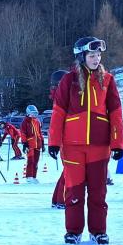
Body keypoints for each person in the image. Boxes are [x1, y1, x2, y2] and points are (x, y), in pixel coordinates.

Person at [48, 36, 123, 245]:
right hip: (72, 147)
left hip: (99, 146)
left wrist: (117, 143)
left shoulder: (107, 80)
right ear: (82, 56)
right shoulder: (68, 81)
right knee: (74, 190)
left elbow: (116, 113)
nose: (96, 59)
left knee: (98, 191)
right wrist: (54, 141)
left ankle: (98, 231)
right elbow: (58, 112)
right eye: (92, 55)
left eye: (98, 55)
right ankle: (73, 231)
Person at [50, 70, 69, 209]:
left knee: (67, 170)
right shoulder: (63, 98)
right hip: (66, 139)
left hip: (65, 138)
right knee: (69, 170)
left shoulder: (62, 96)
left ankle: (57, 199)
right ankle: (61, 200)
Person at [21, 105, 44, 183]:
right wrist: (24, 143)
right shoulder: (25, 122)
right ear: (28, 113)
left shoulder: (37, 121)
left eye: (35, 113)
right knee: (31, 160)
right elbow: (23, 133)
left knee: (36, 161)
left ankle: (34, 176)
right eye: (32, 113)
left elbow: (39, 133)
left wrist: (43, 143)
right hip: (30, 144)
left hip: (38, 143)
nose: (34, 115)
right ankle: (29, 176)